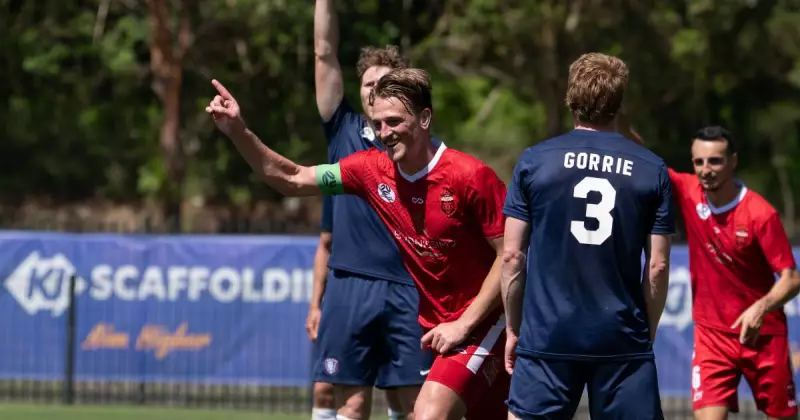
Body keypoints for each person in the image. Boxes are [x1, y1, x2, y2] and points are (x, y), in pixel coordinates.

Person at [206, 67, 510, 420]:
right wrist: (238, 131)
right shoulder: (369, 170)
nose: (384, 133)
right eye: (378, 123)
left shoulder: (470, 176)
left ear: (425, 118)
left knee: (427, 414)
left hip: (486, 320)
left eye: (394, 121)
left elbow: (511, 257)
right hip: (439, 328)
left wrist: (464, 324)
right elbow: (291, 177)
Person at [501, 52, 674, 419]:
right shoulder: (651, 169)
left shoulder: (534, 161)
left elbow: (512, 256)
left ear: (570, 98)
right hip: (620, 338)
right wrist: (647, 333)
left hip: (546, 337)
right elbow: (657, 266)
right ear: (619, 102)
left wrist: (515, 329)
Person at [304, 1, 429, 418]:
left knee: (412, 405)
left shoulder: (417, 142)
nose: (373, 88)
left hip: (408, 288)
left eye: (384, 81)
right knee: (350, 404)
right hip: (352, 285)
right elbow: (323, 51)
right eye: (366, 82)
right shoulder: (343, 129)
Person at [629, 125, 800, 420]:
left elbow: (792, 278)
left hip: (763, 336)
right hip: (712, 338)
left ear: (733, 161)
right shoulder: (688, 190)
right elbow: (643, 155)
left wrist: (759, 308)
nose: (706, 170)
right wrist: (615, 112)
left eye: (715, 161)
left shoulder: (760, 214)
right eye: (699, 162)